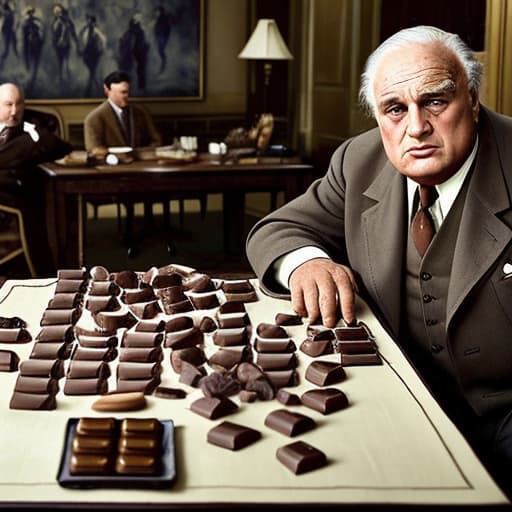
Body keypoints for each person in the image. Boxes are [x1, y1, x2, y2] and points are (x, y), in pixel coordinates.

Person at [246, 25, 512, 494]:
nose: (415, 127)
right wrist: (308, 262)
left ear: (471, 97)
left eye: (435, 101)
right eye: (394, 109)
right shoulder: (359, 159)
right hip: (400, 400)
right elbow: (276, 230)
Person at [0, 82, 72, 276]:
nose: (14, 111)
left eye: (19, 104)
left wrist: (33, 137)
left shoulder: (32, 128)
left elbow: (62, 148)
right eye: (8, 105)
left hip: (17, 194)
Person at [84, 70, 161, 157]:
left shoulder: (141, 112)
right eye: (121, 92)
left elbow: (156, 141)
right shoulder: (94, 118)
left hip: (141, 165)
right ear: (107, 90)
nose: (125, 96)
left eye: (127, 92)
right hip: (111, 168)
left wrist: (140, 154)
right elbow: (94, 150)